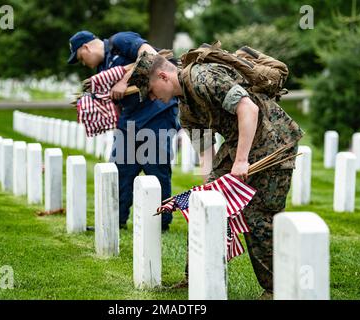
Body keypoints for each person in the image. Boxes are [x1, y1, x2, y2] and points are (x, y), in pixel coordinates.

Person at [128, 52, 304, 297]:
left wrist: (241, 161)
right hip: (238, 143)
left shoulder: (203, 78)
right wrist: (209, 190)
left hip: (273, 141)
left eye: (149, 89)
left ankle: (277, 289)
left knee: (259, 215)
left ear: (162, 76)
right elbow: (205, 153)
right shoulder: (185, 108)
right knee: (201, 205)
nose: (150, 96)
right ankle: (195, 277)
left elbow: (248, 109)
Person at [67, 31, 180, 231]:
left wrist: (124, 81)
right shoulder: (103, 68)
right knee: (120, 170)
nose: (84, 63)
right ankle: (116, 219)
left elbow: (151, 54)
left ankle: (161, 222)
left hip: (156, 113)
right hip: (129, 119)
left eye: (81, 58)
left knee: (156, 169)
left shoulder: (120, 41)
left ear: (86, 47)